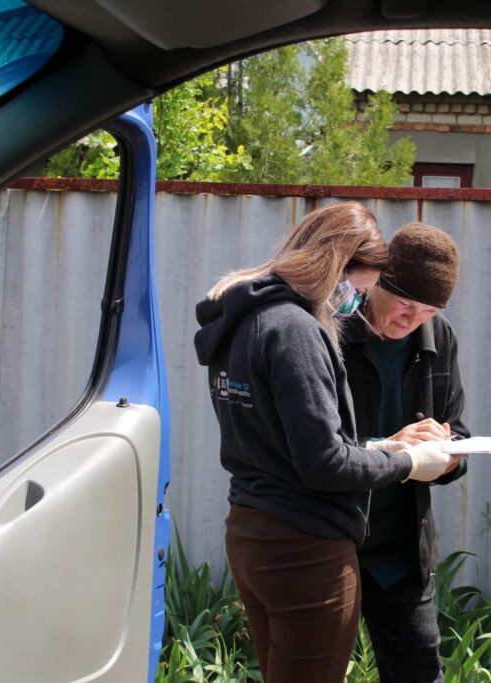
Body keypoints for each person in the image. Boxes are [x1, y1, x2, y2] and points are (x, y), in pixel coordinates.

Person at [193, 203, 462, 683]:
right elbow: (324, 462)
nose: (353, 305)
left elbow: (294, 443)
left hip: (259, 531)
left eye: (429, 313)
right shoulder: (298, 330)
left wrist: (395, 450)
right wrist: (407, 460)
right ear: (337, 269)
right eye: (359, 290)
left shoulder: (245, 318)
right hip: (306, 543)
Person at [341, 222, 469, 683]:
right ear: (378, 281)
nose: (413, 318)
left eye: (429, 309)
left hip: (400, 550)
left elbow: (458, 436)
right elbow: (315, 449)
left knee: (420, 673)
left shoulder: (440, 338)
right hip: (330, 538)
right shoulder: (328, 332)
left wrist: (449, 454)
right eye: (405, 304)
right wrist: (397, 447)